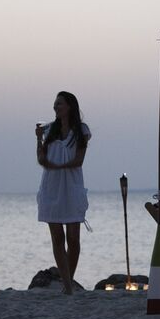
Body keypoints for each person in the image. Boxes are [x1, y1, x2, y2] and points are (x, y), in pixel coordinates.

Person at [36, 91, 91, 295]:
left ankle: (68, 280)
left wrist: (59, 166)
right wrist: (38, 140)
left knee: (74, 239)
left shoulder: (81, 130)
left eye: (59, 103)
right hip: (51, 186)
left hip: (71, 186)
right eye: (55, 104)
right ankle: (67, 285)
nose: (56, 107)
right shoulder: (50, 130)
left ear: (70, 106)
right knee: (57, 237)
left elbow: (79, 160)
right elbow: (42, 160)